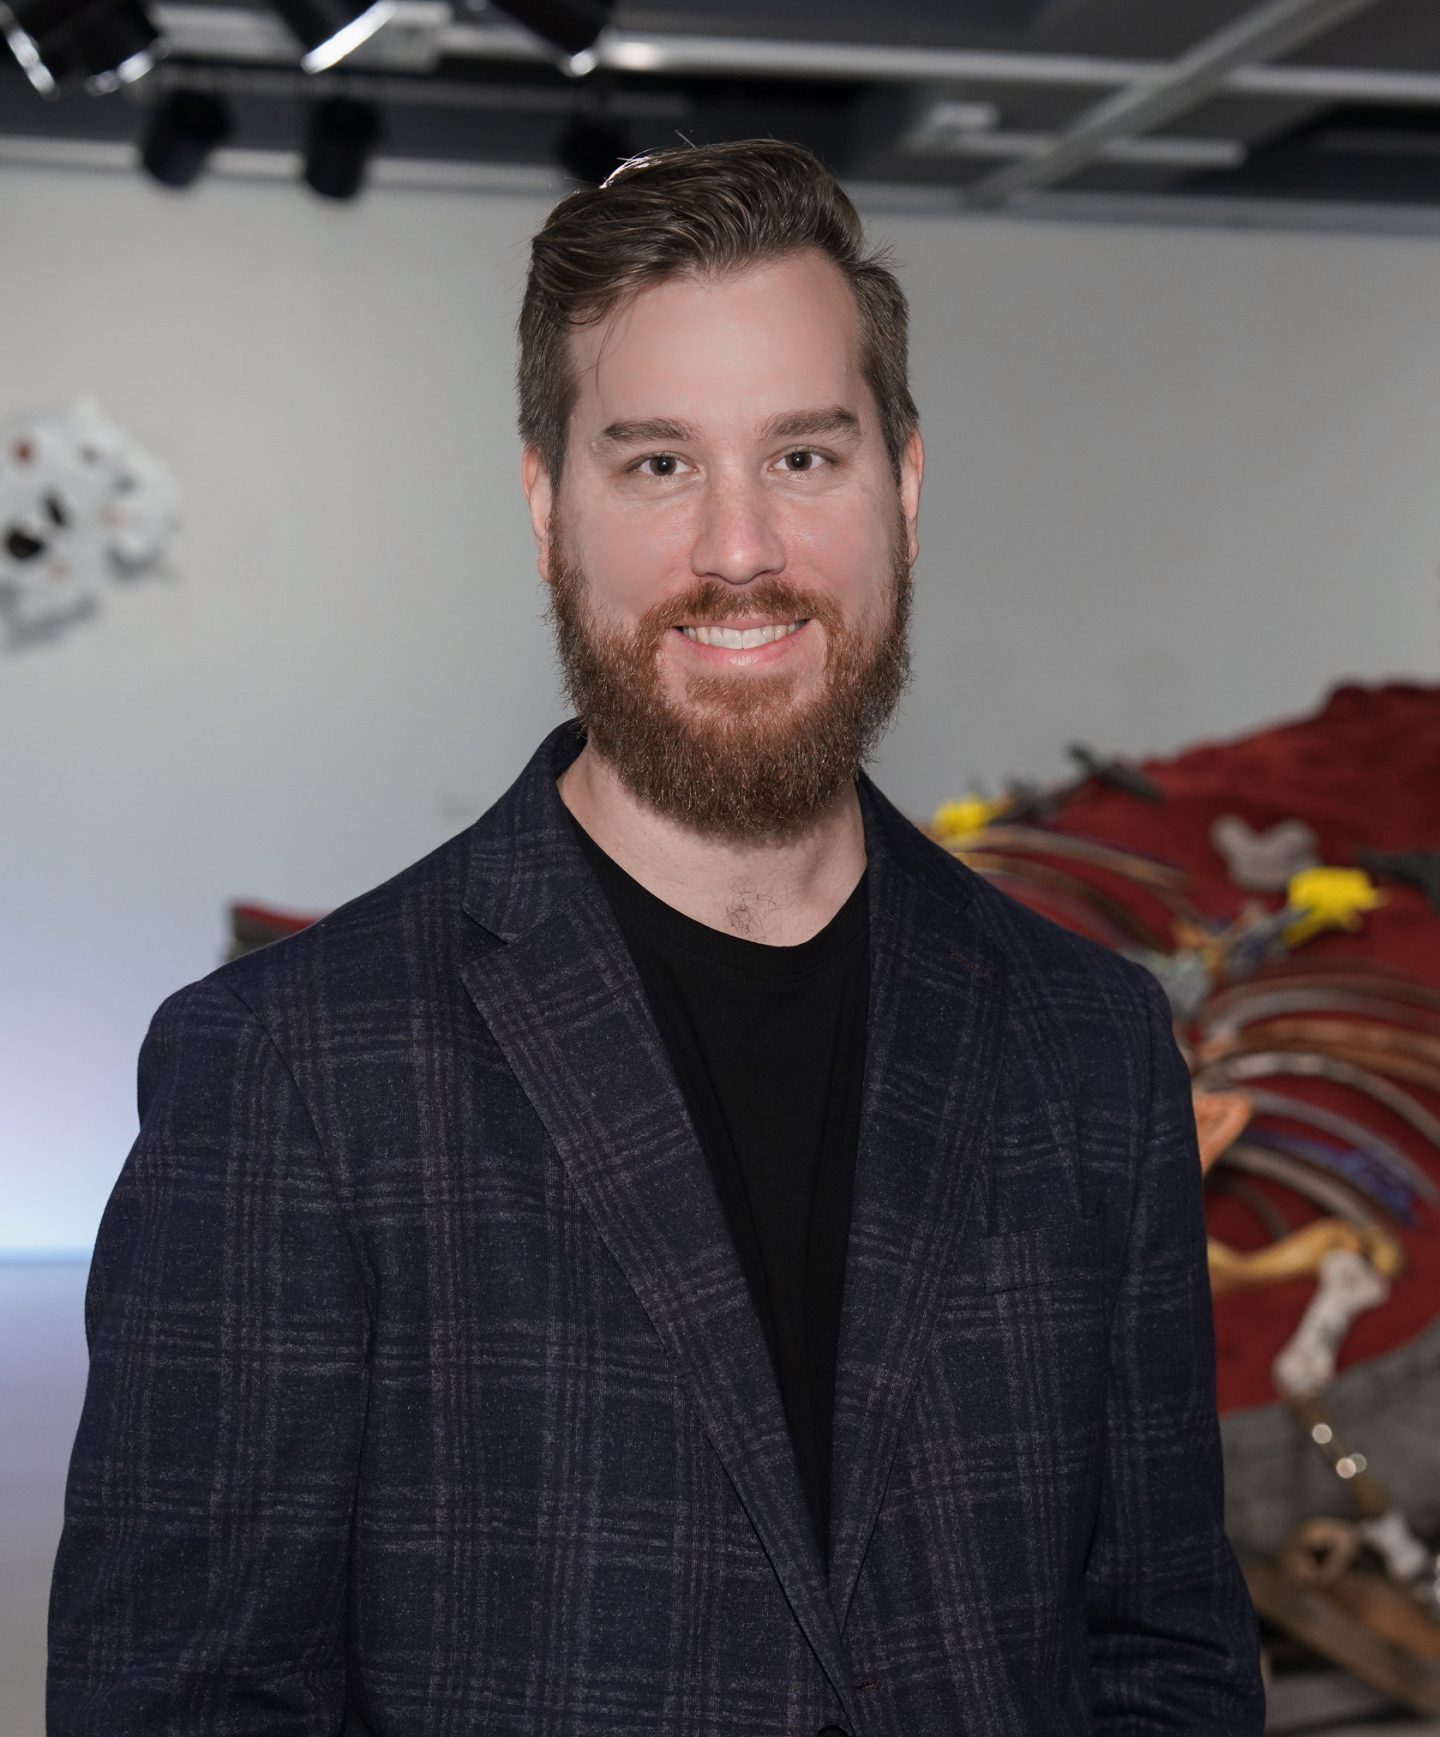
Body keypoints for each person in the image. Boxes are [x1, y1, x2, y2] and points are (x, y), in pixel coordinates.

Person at [48, 139, 1263, 1735]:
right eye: (658, 463)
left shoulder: (1092, 1045)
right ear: (550, 506)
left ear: (903, 483)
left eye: (806, 458)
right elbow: (182, 1705)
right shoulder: (289, 1069)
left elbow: (1169, 1653)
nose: (740, 549)